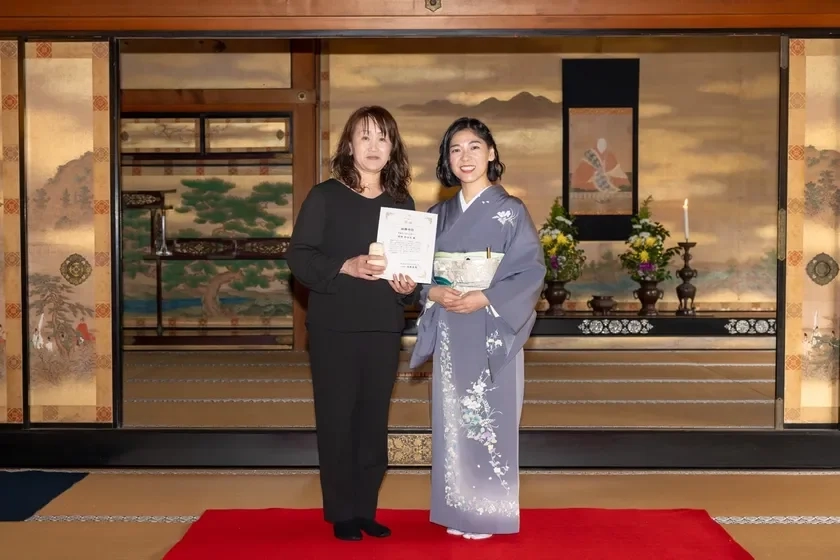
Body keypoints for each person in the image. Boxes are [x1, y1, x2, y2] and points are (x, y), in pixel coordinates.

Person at [286, 106, 418, 542]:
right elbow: (299, 256)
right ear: (349, 145)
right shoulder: (325, 196)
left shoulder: (403, 204)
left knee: (372, 422)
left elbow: (412, 279)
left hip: (383, 326)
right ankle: (341, 511)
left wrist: (405, 286)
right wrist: (345, 265)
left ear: (392, 147)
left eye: (383, 138)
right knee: (338, 419)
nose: (375, 146)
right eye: (365, 137)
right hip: (334, 328)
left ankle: (365, 508)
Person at [409, 117, 545, 540]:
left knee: (489, 415)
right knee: (452, 417)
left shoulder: (511, 211)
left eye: (473, 147)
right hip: (451, 323)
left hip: (491, 323)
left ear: (491, 153)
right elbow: (415, 273)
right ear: (446, 161)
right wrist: (433, 294)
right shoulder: (437, 215)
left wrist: (484, 296)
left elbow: (530, 270)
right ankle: (457, 508)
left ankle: (486, 511)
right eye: (455, 150)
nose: (464, 157)